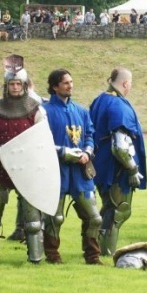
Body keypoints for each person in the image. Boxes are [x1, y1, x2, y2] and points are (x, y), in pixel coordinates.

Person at [0, 65, 48, 265]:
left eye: (18, 84)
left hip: (28, 168)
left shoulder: (35, 109)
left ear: (24, 85)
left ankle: (35, 258)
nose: (15, 87)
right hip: (0, 167)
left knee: (32, 221)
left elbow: (43, 138)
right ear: (5, 86)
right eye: (11, 84)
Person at [41, 69, 104, 265]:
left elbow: (89, 136)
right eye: (65, 83)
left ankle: (93, 256)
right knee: (55, 217)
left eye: (71, 82)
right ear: (54, 87)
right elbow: (40, 142)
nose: (70, 85)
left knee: (95, 218)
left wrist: (87, 152)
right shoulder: (44, 112)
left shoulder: (82, 111)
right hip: (56, 170)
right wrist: (64, 153)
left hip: (81, 172)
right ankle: (52, 255)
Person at [90, 67, 147, 256]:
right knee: (119, 211)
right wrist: (131, 169)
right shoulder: (118, 105)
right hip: (116, 169)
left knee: (108, 208)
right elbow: (120, 146)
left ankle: (95, 247)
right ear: (125, 83)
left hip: (101, 165)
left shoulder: (99, 100)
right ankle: (106, 251)